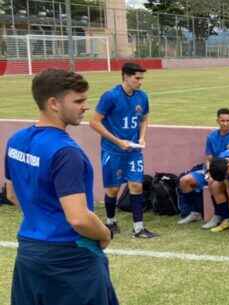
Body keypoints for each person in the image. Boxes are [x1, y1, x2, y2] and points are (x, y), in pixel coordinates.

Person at [6, 69, 118, 305]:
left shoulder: (15, 140)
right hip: (69, 258)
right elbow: (78, 219)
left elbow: (12, 194)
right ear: (54, 104)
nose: (85, 106)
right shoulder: (66, 152)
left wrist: (42, 218)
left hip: (29, 252)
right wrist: (105, 233)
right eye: (78, 100)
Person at [89, 62, 156, 239]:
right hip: (112, 150)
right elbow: (94, 122)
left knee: (136, 185)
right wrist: (117, 141)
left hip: (133, 150)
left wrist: (142, 137)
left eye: (142, 78)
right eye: (137, 78)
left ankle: (138, 228)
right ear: (126, 76)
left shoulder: (142, 97)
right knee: (113, 189)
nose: (140, 82)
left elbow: (144, 119)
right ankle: (110, 222)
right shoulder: (110, 96)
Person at [185, 108, 229, 229]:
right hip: (211, 170)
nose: (225, 123)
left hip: (227, 173)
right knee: (185, 180)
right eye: (222, 120)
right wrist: (208, 171)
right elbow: (209, 158)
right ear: (217, 120)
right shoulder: (212, 136)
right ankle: (196, 212)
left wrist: (215, 175)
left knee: (214, 184)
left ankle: (222, 216)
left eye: (228, 120)